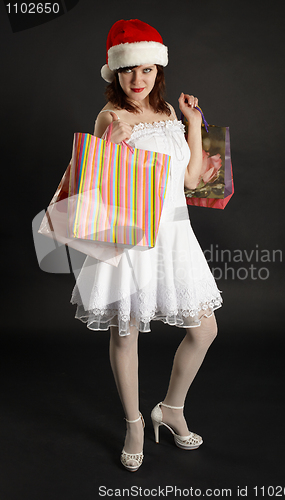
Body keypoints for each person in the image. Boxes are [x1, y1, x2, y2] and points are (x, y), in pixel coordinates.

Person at [71, 19, 222, 472]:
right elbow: (90, 192)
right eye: (129, 71)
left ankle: (170, 409)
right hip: (130, 239)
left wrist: (195, 124)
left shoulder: (172, 115)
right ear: (114, 74)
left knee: (204, 329)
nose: (139, 80)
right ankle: (135, 423)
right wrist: (107, 150)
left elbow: (192, 181)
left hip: (176, 236)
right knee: (126, 332)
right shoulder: (110, 117)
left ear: (159, 72)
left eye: (148, 70)